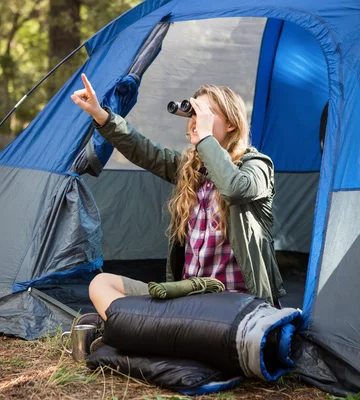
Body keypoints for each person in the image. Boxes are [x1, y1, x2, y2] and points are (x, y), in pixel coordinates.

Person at [71, 74, 285, 321]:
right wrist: (100, 114)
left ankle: (138, 332)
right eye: (193, 113)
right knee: (101, 284)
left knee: (188, 327)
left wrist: (205, 138)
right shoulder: (190, 169)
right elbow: (144, 150)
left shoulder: (257, 166)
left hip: (235, 306)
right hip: (188, 303)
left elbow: (234, 188)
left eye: (205, 113)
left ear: (231, 125)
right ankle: (141, 332)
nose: (196, 120)